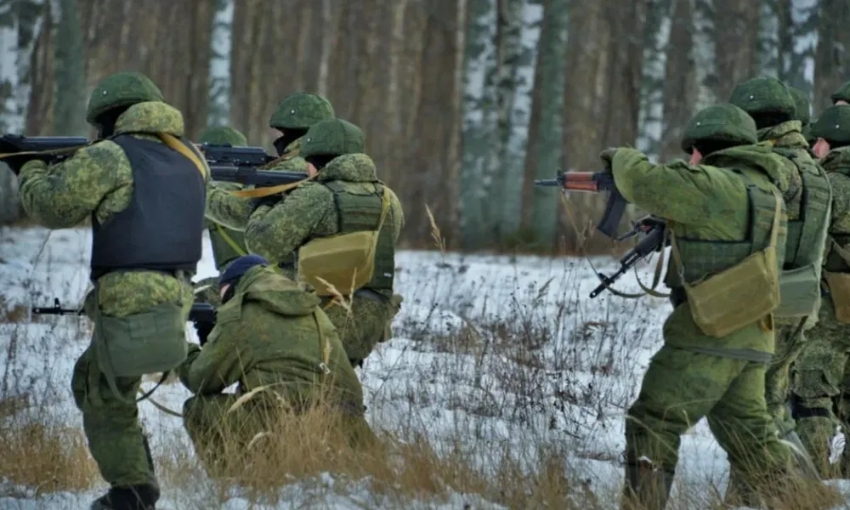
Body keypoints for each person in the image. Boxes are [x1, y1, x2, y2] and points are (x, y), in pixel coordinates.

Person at [16, 72, 208, 510]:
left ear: (108, 118)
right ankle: (136, 482)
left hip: (129, 296)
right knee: (105, 383)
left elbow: (53, 206)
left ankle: (133, 490)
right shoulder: (192, 158)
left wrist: (25, 166)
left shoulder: (112, 155)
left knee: (100, 389)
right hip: (176, 294)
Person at [605, 103, 797, 509]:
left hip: (709, 331)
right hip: (753, 336)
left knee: (653, 420)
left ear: (703, 150)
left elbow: (644, 181)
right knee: (752, 437)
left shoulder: (713, 184)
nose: (690, 159)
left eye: (693, 151)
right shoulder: (767, 192)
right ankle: (807, 501)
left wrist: (620, 156)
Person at [177, 254, 372, 477]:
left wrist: (179, 345)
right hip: (349, 431)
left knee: (197, 409)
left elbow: (199, 380)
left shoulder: (242, 314)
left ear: (236, 288)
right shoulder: (312, 308)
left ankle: (238, 484)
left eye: (225, 297)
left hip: (288, 428)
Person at [245, 118, 404, 368]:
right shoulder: (388, 198)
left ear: (313, 159)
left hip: (320, 320)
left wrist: (266, 202)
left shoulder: (316, 195)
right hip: (370, 321)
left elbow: (260, 244)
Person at [729, 77, 831, 447]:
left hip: (768, 300)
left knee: (751, 404)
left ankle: (760, 492)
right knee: (771, 400)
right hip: (801, 299)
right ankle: (793, 491)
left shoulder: (771, 166)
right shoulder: (812, 165)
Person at [791, 105, 850, 477]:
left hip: (834, 308)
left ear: (827, 143)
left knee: (812, 391)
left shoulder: (830, 185)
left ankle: (809, 482)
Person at [204, 93, 335, 248]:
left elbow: (238, 211)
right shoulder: (331, 160)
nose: (279, 137)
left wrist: (196, 186)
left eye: (283, 131)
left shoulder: (297, 164)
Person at [195, 126, 250, 306]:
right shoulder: (254, 186)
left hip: (242, 284)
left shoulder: (217, 193)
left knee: (182, 297)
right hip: (261, 278)